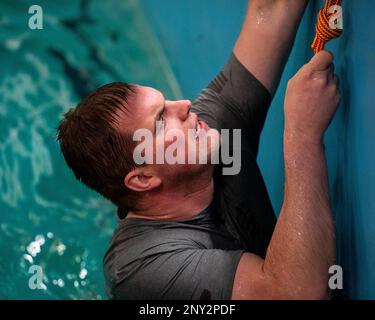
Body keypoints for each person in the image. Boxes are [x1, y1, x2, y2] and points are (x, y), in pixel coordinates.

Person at [57, 0, 340, 299]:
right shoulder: (143, 270)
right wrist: (302, 135)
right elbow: (295, 294)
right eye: (160, 122)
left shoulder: (212, 134)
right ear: (142, 178)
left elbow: (269, 12)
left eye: (166, 102)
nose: (184, 106)